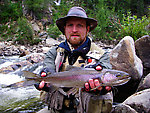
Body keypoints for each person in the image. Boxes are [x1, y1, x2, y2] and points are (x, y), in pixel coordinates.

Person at [35, 6, 113, 113]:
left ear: (87, 29)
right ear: (65, 29)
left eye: (79, 25)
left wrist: (102, 88)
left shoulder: (101, 54)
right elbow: (48, 67)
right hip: (57, 109)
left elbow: (106, 70)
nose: (74, 30)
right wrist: (46, 76)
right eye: (70, 25)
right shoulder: (53, 53)